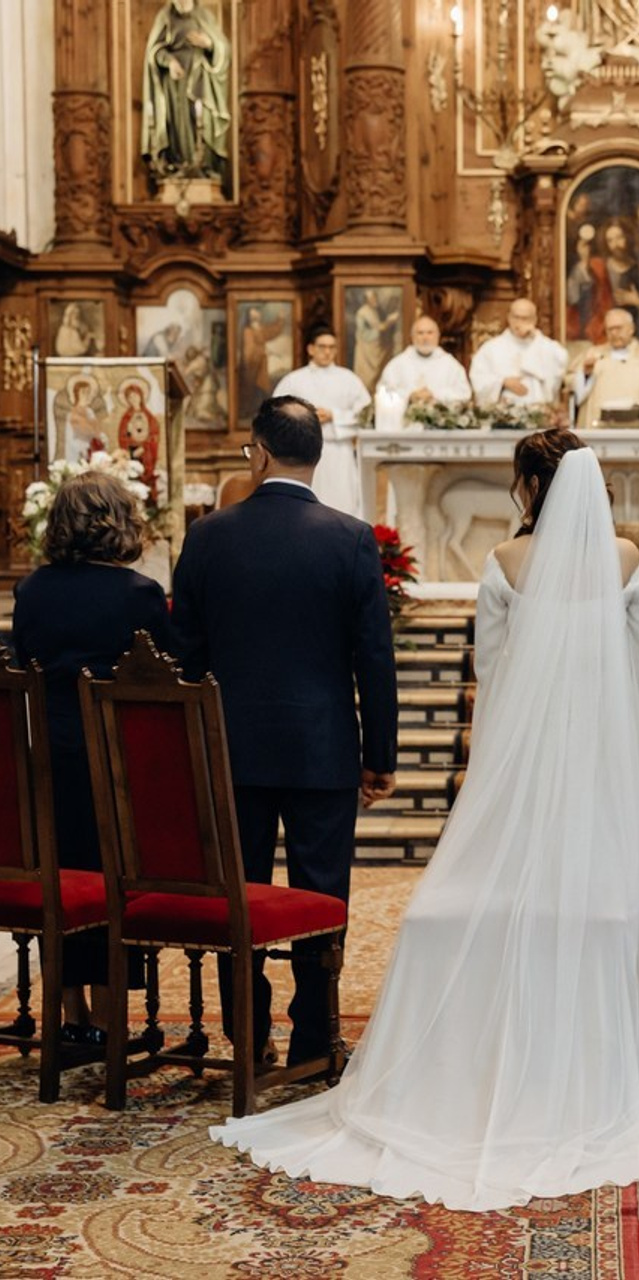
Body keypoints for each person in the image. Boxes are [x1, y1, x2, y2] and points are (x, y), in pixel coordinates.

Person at [210, 429, 639, 1208]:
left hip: (518, 761)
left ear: (528, 487)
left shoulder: (503, 564)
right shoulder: (628, 562)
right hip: (600, 761)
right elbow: (638, 669)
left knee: (448, 907)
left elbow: (491, 672)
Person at [172, 396, 398, 1069]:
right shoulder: (352, 538)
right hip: (322, 749)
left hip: (229, 750)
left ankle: (247, 1032)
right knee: (321, 895)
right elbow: (373, 659)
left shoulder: (210, 535)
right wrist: (378, 755)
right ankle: (313, 1037)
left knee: (236, 895)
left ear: (259, 451)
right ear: (316, 457)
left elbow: (186, 653)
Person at [11, 472, 174, 1043]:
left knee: (62, 883)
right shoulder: (137, 595)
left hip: (46, 758)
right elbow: (167, 680)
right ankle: (109, 1023)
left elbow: (21, 664)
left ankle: (72, 1019)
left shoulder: (32, 591)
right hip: (115, 761)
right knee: (112, 887)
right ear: (120, 522)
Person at [377, 316, 472, 557]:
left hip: (442, 439)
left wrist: (435, 395)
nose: (425, 337)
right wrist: (410, 395)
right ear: (412, 336)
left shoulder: (450, 365)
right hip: (405, 441)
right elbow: (383, 393)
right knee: (407, 501)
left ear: (438, 336)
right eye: (420, 332)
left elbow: (464, 394)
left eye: (430, 332)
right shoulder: (397, 365)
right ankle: (406, 550)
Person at [274, 325, 371, 519]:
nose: (327, 352)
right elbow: (277, 413)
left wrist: (335, 416)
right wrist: (306, 416)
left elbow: (366, 415)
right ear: (310, 349)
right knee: (308, 509)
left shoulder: (349, 379)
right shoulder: (294, 381)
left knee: (343, 506)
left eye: (331, 347)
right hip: (303, 454)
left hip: (340, 453)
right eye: (322, 347)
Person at [141, 0, 232, 183]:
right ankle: (178, 165)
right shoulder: (165, 16)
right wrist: (170, 62)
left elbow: (223, 49)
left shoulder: (205, 16)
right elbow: (154, 52)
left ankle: (202, 165)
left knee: (199, 120)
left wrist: (208, 44)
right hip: (174, 84)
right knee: (179, 123)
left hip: (200, 80)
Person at [568, 308, 639, 428]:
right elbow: (575, 396)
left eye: (618, 328)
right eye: (609, 329)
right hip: (599, 431)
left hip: (636, 433)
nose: (614, 333)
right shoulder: (592, 355)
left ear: (631, 329)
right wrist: (586, 375)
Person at [469, 299, 569, 409]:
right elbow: (479, 378)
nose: (519, 322)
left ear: (534, 320)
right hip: (503, 414)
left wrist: (536, 337)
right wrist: (503, 382)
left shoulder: (544, 345)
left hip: (538, 412)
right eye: (516, 317)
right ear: (509, 318)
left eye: (525, 318)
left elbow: (561, 361)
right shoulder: (491, 348)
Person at [238, 305, 287, 421]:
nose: (257, 317)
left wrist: (280, 319)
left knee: (262, 389)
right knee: (251, 390)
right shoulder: (248, 331)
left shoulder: (258, 329)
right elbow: (248, 352)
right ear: (249, 317)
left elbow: (271, 332)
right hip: (251, 367)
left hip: (260, 366)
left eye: (257, 315)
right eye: (254, 316)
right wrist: (261, 353)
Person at [351, 289, 398, 392]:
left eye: (375, 297)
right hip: (366, 348)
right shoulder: (363, 312)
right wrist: (390, 321)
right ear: (367, 300)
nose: (374, 300)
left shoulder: (374, 310)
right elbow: (378, 328)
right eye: (371, 298)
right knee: (366, 375)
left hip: (375, 345)